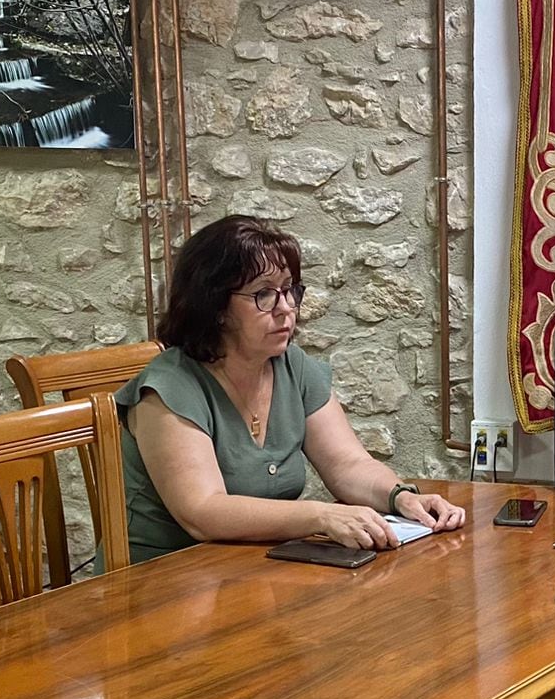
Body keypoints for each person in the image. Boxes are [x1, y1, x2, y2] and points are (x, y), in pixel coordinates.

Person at [117, 215, 465, 562]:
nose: (286, 308)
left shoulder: (292, 366)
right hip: (162, 579)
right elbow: (203, 512)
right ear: (215, 307)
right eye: (264, 294)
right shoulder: (169, 387)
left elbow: (347, 464)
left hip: (251, 569)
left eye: (289, 290)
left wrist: (401, 498)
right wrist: (321, 517)